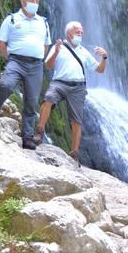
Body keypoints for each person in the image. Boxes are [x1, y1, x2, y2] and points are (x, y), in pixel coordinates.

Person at [33, 22, 107, 166]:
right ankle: (39, 133)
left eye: (81, 31)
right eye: (76, 31)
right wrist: (56, 52)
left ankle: (74, 153)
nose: (80, 33)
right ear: (68, 33)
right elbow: (48, 66)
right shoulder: (58, 46)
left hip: (78, 87)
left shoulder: (84, 51)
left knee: (76, 120)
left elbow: (100, 70)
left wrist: (104, 58)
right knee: (48, 99)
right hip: (59, 83)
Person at [0, 0, 51, 150]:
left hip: (36, 65)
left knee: (31, 101)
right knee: (6, 85)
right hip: (16, 61)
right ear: (23, 1)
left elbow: (46, 44)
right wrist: (9, 58)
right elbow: (1, 43)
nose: (35, 4)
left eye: (37, 1)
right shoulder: (12, 20)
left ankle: (27, 137)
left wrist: (38, 56)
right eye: (32, 0)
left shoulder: (43, 22)